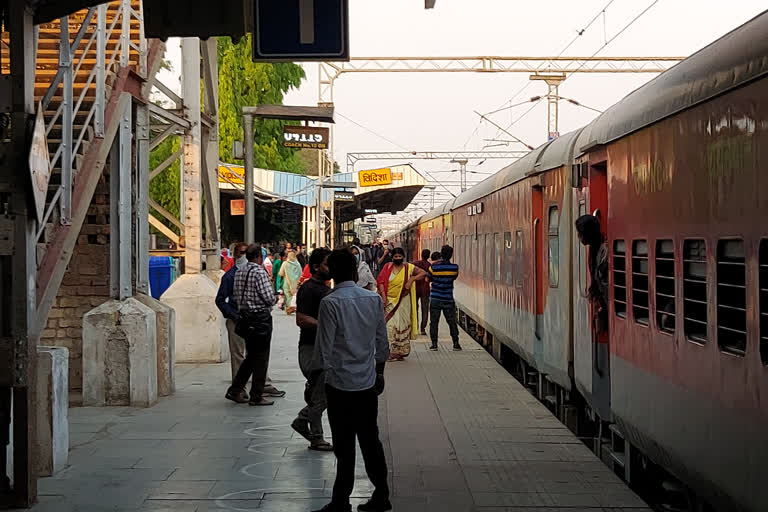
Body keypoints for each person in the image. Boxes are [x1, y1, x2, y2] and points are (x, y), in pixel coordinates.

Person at [311, 248, 391, 512]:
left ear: (331, 273)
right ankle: (381, 495)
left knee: (344, 445)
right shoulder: (372, 300)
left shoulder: (330, 303)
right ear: (356, 270)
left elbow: (324, 349)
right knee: (371, 440)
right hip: (367, 383)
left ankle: (341, 500)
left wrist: (314, 382)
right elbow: (382, 342)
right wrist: (379, 372)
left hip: (339, 386)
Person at [215, 242, 285, 398]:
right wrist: (233, 314)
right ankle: (245, 390)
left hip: (246, 317)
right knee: (248, 355)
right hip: (245, 318)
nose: (242, 256)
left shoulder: (241, 273)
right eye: (240, 253)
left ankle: (249, 387)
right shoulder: (235, 275)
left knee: (254, 355)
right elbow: (220, 299)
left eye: (245, 253)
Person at [291, 248, 334, 452]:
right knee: (321, 395)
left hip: (321, 349)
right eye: (327, 263)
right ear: (317, 267)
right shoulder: (310, 289)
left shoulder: (324, 288)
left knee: (324, 393)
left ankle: (302, 420)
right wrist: (324, 324)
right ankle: (317, 437)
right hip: (311, 350)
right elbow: (301, 319)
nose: (331, 267)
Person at [376, 247, 426, 361]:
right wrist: (384, 298)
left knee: (402, 325)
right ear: (392, 257)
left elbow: (423, 273)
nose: (397, 258)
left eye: (399, 256)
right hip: (389, 301)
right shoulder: (387, 267)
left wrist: (411, 279)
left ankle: (400, 352)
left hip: (403, 301)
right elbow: (380, 281)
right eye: (395, 256)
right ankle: (389, 351)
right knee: (389, 326)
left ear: (403, 257)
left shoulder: (409, 267)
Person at [575, 214, 609, 335]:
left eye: (580, 233)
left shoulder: (603, 251)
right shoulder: (595, 249)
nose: (578, 236)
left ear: (587, 234)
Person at [427, 245, 461, 351]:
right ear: (451, 255)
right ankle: (456, 343)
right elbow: (453, 278)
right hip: (448, 298)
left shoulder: (433, 267)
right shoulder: (454, 268)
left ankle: (434, 344)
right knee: (452, 322)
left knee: (434, 322)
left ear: (441, 254)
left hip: (435, 298)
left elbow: (428, 279)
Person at [413, 249, 432, 335]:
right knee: (425, 309)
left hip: (415, 288)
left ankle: (415, 327)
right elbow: (430, 278)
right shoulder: (429, 265)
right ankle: (423, 328)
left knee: (415, 308)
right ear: (428, 256)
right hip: (425, 289)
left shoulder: (415, 264)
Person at [279, 250, 303, 314]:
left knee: (288, 295)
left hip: (287, 282)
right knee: (294, 295)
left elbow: (281, 273)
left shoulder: (285, 263)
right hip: (296, 283)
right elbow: (301, 273)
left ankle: (290, 307)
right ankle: (293, 306)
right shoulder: (298, 264)